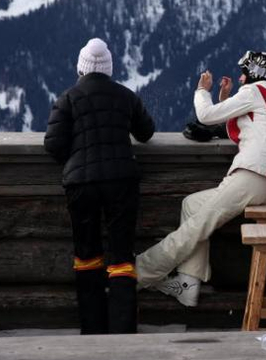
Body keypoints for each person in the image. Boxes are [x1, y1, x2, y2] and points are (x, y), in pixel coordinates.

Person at [135, 50, 266, 307]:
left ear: (254, 73)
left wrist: (203, 91)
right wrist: (225, 99)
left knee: (194, 229)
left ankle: (136, 273)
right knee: (192, 205)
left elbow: (205, 116)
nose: (240, 76)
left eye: (243, 72)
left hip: (253, 175)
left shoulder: (255, 91)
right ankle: (188, 284)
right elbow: (244, 131)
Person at [43, 37, 156, 334]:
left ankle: (92, 328)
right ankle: (122, 329)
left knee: (87, 253)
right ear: (108, 68)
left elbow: (53, 145)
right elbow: (146, 132)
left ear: (81, 68)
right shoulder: (125, 96)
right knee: (121, 256)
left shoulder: (67, 98)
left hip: (81, 184)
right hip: (122, 180)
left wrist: (77, 157)